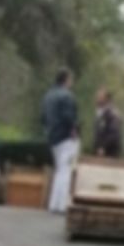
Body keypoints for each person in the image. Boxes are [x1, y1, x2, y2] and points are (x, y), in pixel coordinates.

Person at [42, 68, 80, 213]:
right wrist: (75, 130)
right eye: (71, 79)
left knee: (59, 169)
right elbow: (69, 117)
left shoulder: (48, 96)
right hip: (65, 137)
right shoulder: (67, 96)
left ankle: (53, 203)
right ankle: (62, 203)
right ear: (66, 79)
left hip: (53, 137)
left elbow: (43, 118)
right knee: (66, 170)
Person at [93, 87, 124, 158]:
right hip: (100, 151)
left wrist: (103, 147)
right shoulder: (100, 112)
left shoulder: (112, 113)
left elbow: (114, 133)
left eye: (100, 97)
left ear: (106, 99)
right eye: (97, 97)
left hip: (109, 152)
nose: (97, 99)